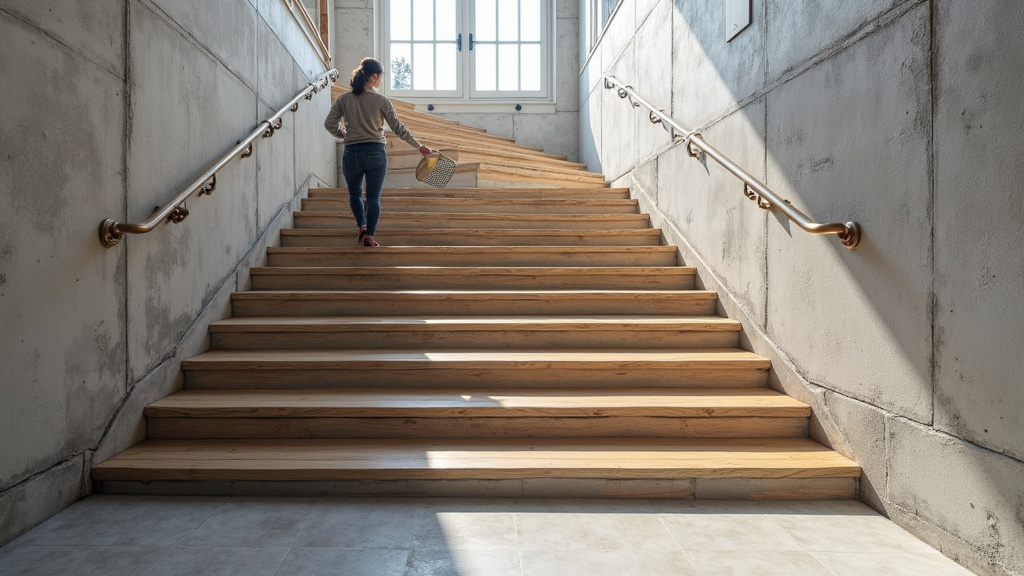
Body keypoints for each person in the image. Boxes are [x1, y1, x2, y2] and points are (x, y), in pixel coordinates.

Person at [324, 57, 431, 246]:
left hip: (351, 153)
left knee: (355, 194)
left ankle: (362, 224)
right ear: (374, 76)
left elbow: (329, 124)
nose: (380, 80)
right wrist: (418, 146)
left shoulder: (344, 99)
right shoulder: (381, 100)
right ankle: (370, 237)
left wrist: (345, 135)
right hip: (375, 152)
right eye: (380, 77)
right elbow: (398, 128)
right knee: (373, 198)